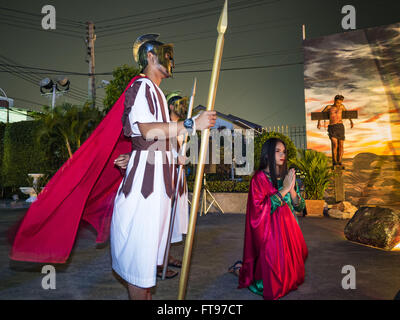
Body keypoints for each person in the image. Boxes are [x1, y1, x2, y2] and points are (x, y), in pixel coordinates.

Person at [110, 34, 216, 300]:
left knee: (146, 272)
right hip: (144, 192)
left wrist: (173, 157)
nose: (170, 59)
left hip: (157, 189)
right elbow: (146, 132)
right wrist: (190, 124)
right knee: (139, 266)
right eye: (165, 53)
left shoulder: (156, 92)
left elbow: (156, 140)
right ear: (149, 56)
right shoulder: (142, 86)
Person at [113, 92, 190, 279]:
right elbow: (149, 150)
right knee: (154, 224)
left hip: (174, 177)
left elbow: (178, 151)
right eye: (179, 103)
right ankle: (154, 263)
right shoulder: (159, 125)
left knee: (169, 222)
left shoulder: (181, 128)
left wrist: (182, 157)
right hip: (155, 180)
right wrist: (131, 157)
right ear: (170, 106)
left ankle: (165, 256)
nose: (183, 107)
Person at [229, 138, 308, 300]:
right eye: (277, 151)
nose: (282, 155)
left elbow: (299, 207)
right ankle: (241, 269)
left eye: (284, 151)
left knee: (294, 278)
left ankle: (242, 267)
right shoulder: (258, 179)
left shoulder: (287, 176)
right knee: (273, 283)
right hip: (269, 235)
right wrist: (284, 190)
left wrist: (292, 190)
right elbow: (259, 211)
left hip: (290, 233)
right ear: (267, 155)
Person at [317, 95, 354, 167]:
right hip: (332, 127)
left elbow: (347, 113)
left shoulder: (342, 107)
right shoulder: (329, 107)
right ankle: (334, 162)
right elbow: (320, 115)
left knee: (341, 145)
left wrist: (351, 122)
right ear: (334, 101)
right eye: (337, 103)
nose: (338, 104)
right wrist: (319, 123)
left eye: (340, 103)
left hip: (340, 127)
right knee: (334, 144)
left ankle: (339, 161)